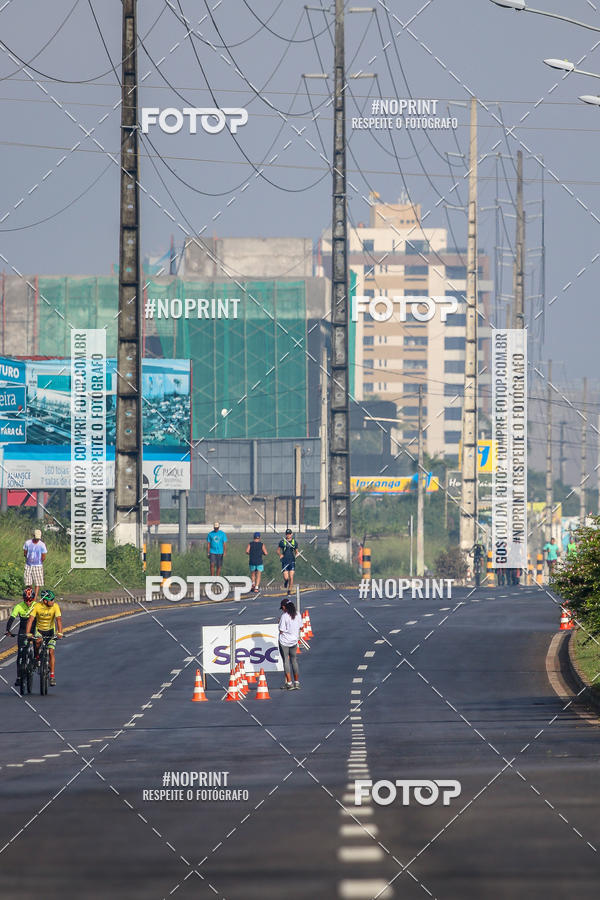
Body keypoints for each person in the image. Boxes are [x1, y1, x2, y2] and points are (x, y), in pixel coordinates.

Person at [26, 588, 63, 687]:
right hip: (39, 631)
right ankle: (37, 657)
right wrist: (28, 633)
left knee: (51, 652)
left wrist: (60, 632)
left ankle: (52, 676)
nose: (53, 601)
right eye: (51, 600)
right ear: (45, 601)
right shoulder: (37, 606)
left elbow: (58, 620)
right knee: (37, 641)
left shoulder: (55, 606)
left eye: (53, 599)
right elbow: (30, 620)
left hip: (51, 631)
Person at [5, 587, 36, 687]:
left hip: (34, 629)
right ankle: (19, 677)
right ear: (23, 599)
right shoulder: (18, 606)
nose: (28, 602)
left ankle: (36, 658)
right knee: (20, 654)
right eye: (26, 600)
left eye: (30, 600)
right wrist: (8, 630)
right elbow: (12, 618)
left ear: (33, 599)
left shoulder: (36, 606)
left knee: (37, 643)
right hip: (23, 630)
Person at [278, 600, 301, 690]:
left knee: (286, 661)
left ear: (284, 607)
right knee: (294, 661)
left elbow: (281, 630)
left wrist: (279, 622)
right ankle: (296, 682)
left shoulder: (284, 616)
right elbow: (301, 626)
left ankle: (289, 683)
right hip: (294, 641)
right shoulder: (297, 614)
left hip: (284, 641)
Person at [23, 528, 47, 601]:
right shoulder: (28, 543)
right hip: (28, 564)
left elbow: (43, 556)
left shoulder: (42, 545)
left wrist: (39, 561)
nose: (37, 539)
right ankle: (31, 592)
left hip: (38, 565)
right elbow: (25, 552)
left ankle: (35, 597)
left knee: (37, 582)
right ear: (33, 536)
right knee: (27, 581)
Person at [277, 528, 299, 596]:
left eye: (289, 534)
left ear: (291, 534)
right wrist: (280, 555)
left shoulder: (294, 542)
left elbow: (296, 551)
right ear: (285, 534)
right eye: (287, 534)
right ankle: (286, 582)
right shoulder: (282, 542)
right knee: (286, 577)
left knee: (291, 577)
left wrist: (297, 554)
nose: (288, 535)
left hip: (292, 561)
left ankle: (289, 591)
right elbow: (278, 550)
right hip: (284, 561)